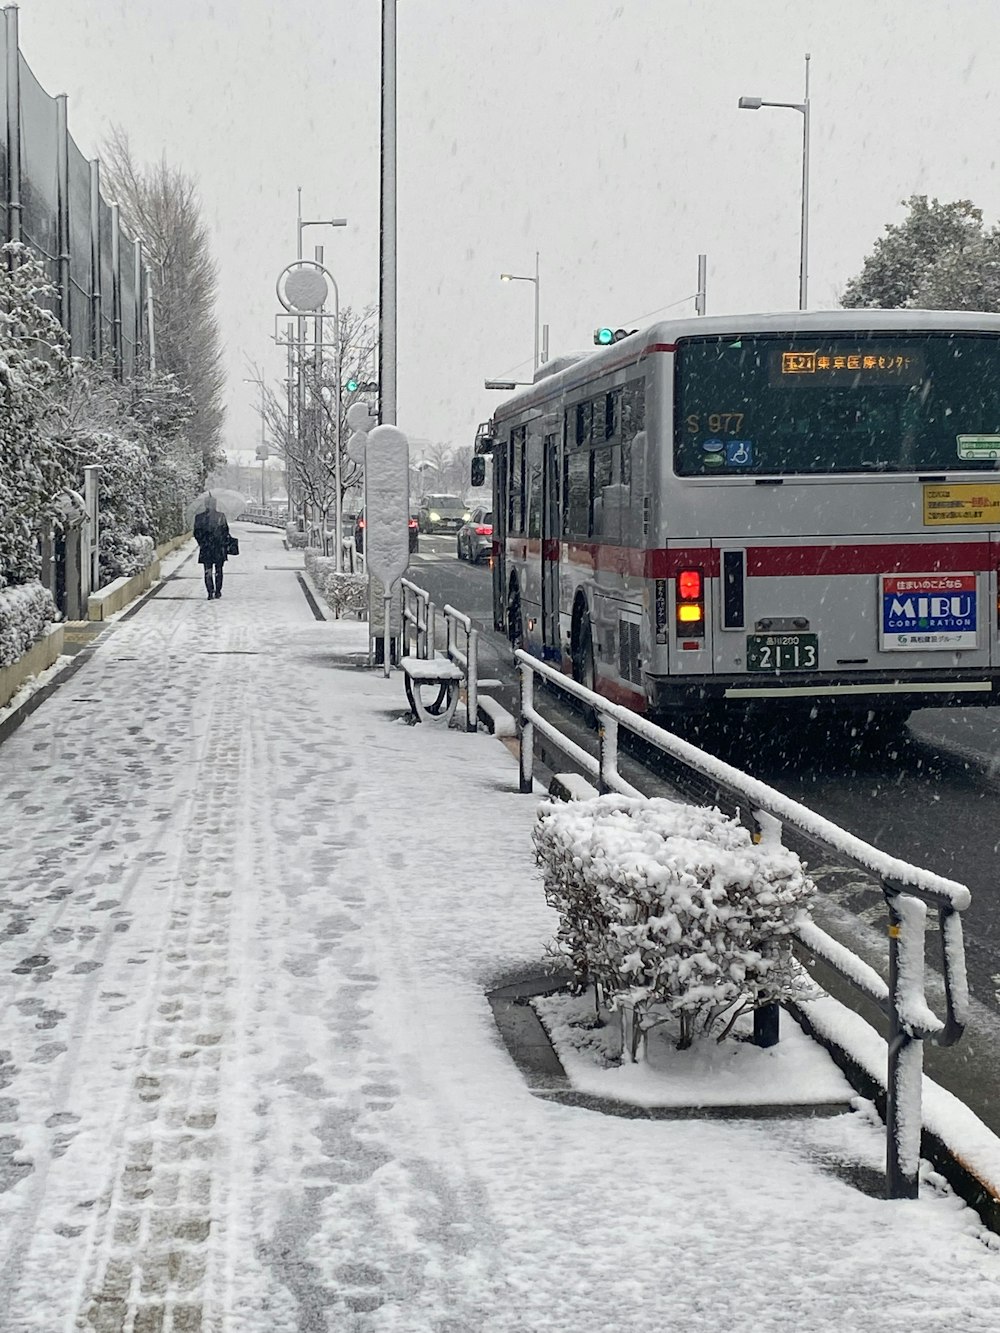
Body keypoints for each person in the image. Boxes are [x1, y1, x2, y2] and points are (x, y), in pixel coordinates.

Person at [193, 495, 231, 599]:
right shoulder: (221, 516)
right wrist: (221, 540)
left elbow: (196, 533)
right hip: (218, 547)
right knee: (219, 570)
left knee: (207, 570)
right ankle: (218, 591)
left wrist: (202, 542)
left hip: (206, 548)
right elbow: (226, 531)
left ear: (205, 504)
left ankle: (210, 591)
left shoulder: (199, 517)